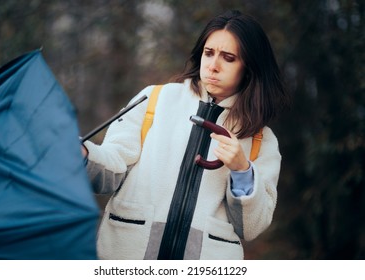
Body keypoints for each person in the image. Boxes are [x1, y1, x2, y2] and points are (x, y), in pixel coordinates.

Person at [82, 10, 290, 260]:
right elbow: (109, 173)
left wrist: (242, 170)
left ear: (249, 67)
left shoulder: (261, 140)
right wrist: (84, 155)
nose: (213, 66)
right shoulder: (154, 100)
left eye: (228, 58)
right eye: (209, 53)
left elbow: (252, 227)